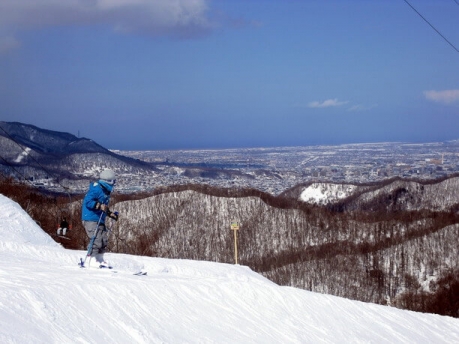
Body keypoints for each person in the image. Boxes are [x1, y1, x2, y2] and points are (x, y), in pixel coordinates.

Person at [81, 169, 119, 268]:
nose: (114, 183)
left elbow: (104, 207)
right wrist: (99, 205)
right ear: (108, 181)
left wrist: (110, 214)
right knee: (96, 239)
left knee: (103, 240)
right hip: (90, 218)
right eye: (113, 181)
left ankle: (99, 259)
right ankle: (91, 259)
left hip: (99, 218)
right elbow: (88, 202)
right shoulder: (96, 189)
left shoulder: (105, 191)